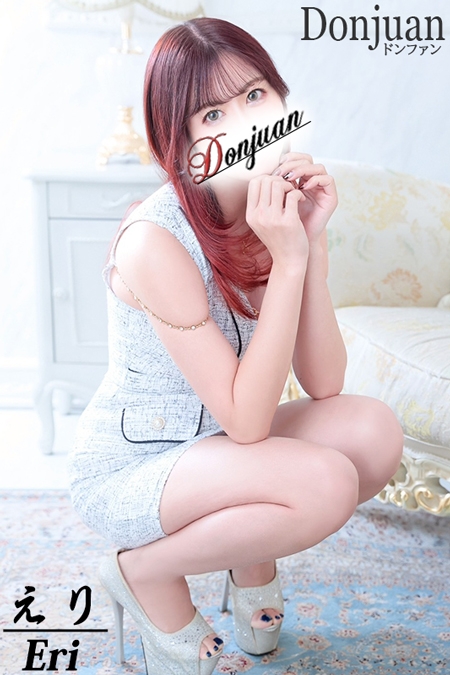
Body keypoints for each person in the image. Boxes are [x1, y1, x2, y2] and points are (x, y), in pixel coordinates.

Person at [67, 16, 404, 675]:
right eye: (213, 114)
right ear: (182, 139)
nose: (246, 124)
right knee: (326, 484)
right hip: (139, 467)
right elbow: (248, 422)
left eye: (254, 96)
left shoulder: (274, 207)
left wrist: (308, 245)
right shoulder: (154, 241)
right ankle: (144, 571)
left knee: (373, 432)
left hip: (222, 444)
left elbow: (324, 382)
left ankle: (248, 552)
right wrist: (288, 256)